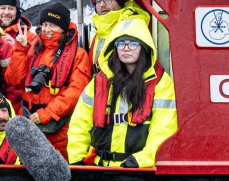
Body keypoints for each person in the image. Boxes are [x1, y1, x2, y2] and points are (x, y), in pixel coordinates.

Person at [67, 18, 178, 168]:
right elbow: (79, 124)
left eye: (133, 43)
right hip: (99, 169)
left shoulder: (161, 83)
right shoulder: (99, 82)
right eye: (121, 43)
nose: (126, 48)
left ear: (144, 47)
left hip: (138, 172)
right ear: (114, 47)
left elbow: (164, 130)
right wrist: (77, 160)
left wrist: (138, 162)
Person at [4, 2, 91, 156]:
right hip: (28, 119)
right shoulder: (32, 48)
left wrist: (46, 114)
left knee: (59, 168)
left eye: (53, 25)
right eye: (44, 24)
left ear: (64, 29)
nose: (47, 30)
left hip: (59, 127)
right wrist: (20, 49)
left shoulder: (79, 55)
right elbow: (14, 80)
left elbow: (76, 92)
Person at [89, 0, 151, 69]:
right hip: (100, 81)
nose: (102, 4)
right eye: (98, 1)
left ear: (120, 1)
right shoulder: (99, 32)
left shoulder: (132, 25)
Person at [0, 0, 32, 110]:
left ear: (17, 11)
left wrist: (18, 47)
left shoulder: (29, 36)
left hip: (19, 103)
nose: (6, 12)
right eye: (2, 8)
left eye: (11, 8)